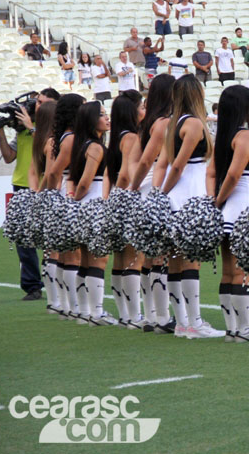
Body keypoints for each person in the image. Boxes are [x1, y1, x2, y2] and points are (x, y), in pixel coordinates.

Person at [157, 75, 222, 339]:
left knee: (175, 261)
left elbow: (167, 163)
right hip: (188, 197)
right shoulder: (194, 123)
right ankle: (193, 323)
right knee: (190, 261)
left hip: (178, 197)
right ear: (196, 93)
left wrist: (162, 196)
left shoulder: (174, 123)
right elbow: (178, 165)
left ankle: (183, 323)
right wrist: (163, 194)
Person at [208, 85, 249, 343]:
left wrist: (216, 202)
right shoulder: (244, 135)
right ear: (243, 107)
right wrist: (219, 200)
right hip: (241, 204)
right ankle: (243, 329)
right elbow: (235, 175)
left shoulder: (223, 136)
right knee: (242, 270)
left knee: (228, 270)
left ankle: (232, 329)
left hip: (227, 208)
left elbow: (213, 173)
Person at [0, 88, 59, 301]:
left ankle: (54, 282)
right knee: (24, 241)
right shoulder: (23, 129)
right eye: (37, 102)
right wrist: (0, 130)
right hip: (21, 186)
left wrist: (32, 128)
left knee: (50, 237)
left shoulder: (56, 129)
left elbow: (49, 148)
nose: (37, 105)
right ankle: (33, 286)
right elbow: (7, 157)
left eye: (42, 102)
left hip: (46, 187)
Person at [127, 74, 176, 334]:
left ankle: (150, 316)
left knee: (148, 256)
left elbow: (134, 162)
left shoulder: (146, 124)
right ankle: (162, 318)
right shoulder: (164, 123)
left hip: (145, 189)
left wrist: (134, 187)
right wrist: (138, 187)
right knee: (160, 256)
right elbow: (146, 161)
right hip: (156, 189)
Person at [69, 101, 115, 326]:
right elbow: (86, 182)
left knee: (85, 261)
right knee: (98, 260)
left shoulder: (83, 145)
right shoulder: (95, 147)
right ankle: (96, 313)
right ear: (91, 120)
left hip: (86, 206)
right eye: (102, 115)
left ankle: (84, 312)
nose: (107, 118)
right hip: (94, 204)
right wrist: (77, 201)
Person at [106, 91, 149, 329]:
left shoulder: (115, 137)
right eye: (141, 107)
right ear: (132, 111)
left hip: (115, 198)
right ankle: (135, 316)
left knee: (120, 258)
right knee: (135, 257)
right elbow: (124, 173)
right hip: (126, 199)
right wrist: (130, 192)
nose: (144, 110)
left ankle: (125, 315)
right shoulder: (132, 137)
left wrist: (111, 198)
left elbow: (109, 174)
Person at [43, 93, 85, 320]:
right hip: (70, 195)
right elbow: (53, 172)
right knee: (73, 254)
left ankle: (69, 306)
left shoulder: (69, 136)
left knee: (69, 253)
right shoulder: (70, 138)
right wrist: (56, 199)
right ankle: (72, 306)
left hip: (68, 194)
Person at [28, 100, 60, 313]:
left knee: (50, 250)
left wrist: (34, 195)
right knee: (59, 251)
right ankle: (57, 299)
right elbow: (50, 174)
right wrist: (46, 193)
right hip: (55, 197)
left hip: (45, 197)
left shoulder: (40, 140)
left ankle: (53, 300)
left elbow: (33, 171)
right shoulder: (53, 141)